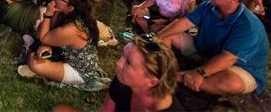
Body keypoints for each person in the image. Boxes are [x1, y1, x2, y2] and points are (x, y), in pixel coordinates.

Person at [158, 0, 269, 95]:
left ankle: (177, 77)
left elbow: (228, 58)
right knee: (166, 35)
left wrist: (200, 72)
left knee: (231, 82)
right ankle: (163, 70)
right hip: (206, 51)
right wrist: (158, 36)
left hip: (238, 66)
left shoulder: (248, 25)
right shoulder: (208, 6)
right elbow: (184, 22)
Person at [54, 34, 184, 112]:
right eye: (123, 55)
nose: (118, 63)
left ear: (152, 81)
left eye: (128, 62)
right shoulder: (122, 82)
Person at [17, 0, 110, 91]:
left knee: (34, 64)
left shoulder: (72, 29)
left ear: (70, 8)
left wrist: (48, 14)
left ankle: (34, 57)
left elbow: (42, 37)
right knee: (41, 33)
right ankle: (39, 53)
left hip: (78, 70)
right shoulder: (67, 13)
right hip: (66, 54)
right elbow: (44, 31)